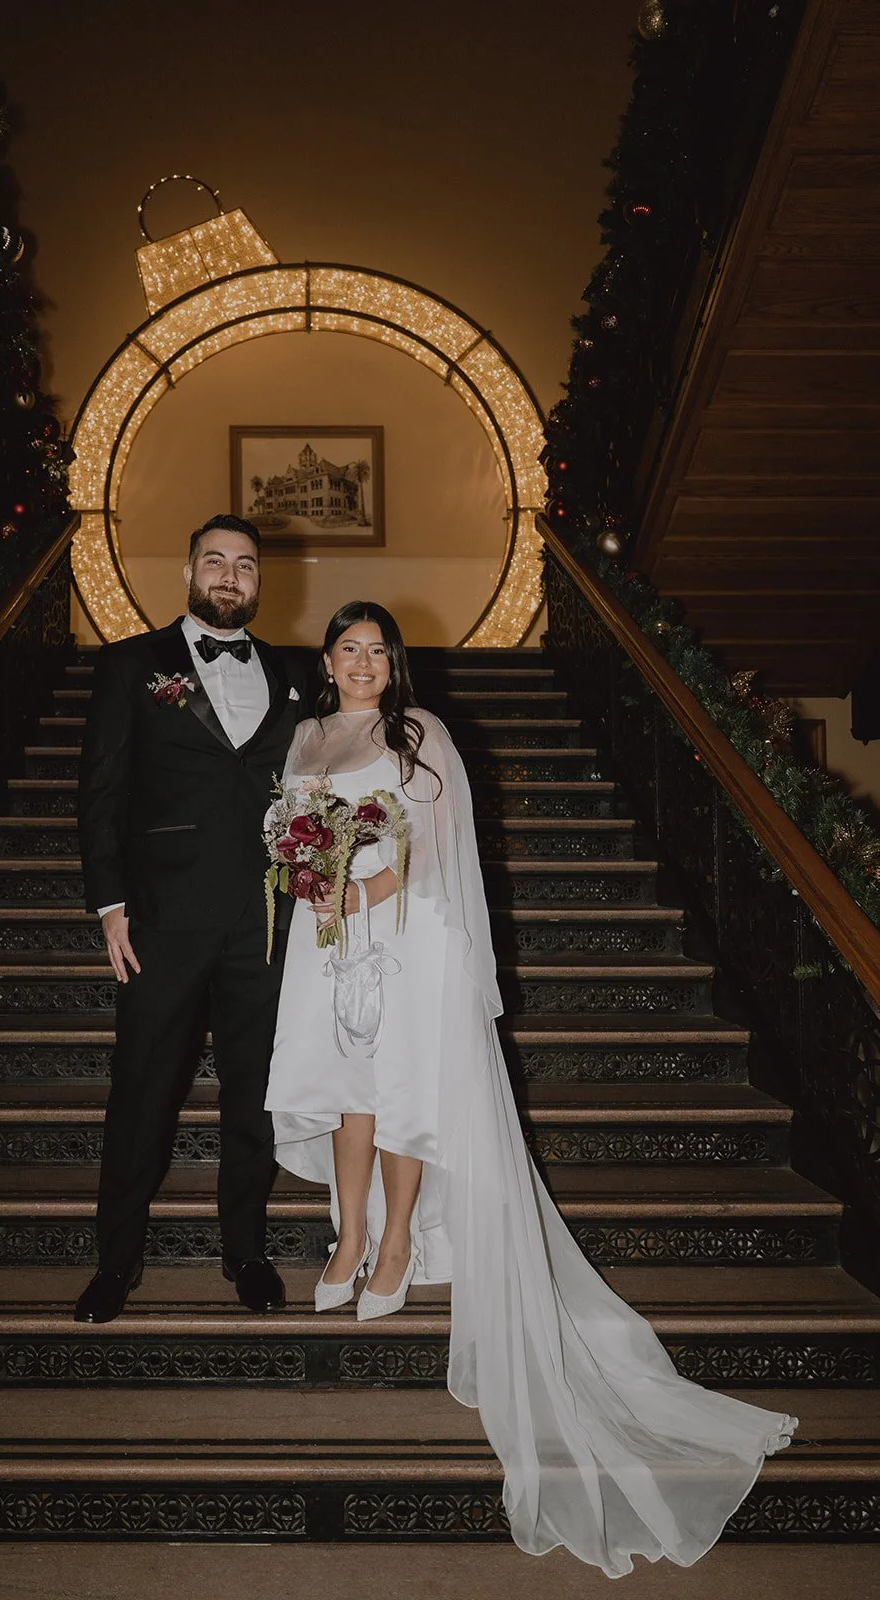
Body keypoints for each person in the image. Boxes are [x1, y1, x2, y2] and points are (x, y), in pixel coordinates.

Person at [265, 600, 797, 1578]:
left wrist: (354, 890)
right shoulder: (305, 734)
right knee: (344, 1086)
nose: (362, 663)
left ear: (392, 663)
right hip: (327, 940)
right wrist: (311, 885)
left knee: (401, 1092)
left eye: (377, 650)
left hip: (406, 930)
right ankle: (342, 1233)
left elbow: (431, 846)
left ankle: (391, 1246)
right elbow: (291, 838)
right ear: (326, 660)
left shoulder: (417, 733)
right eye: (348, 649)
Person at [74, 513, 305, 1324]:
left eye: (244, 565)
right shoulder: (133, 663)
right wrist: (110, 904)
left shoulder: (291, 673)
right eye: (215, 561)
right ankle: (116, 1262)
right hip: (162, 917)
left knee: (254, 1094)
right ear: (188, 572)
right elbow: (100, 791)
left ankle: (244, 1252)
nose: (230, 576)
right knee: (142, 1090)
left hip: (267, 921)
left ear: (258, 580)